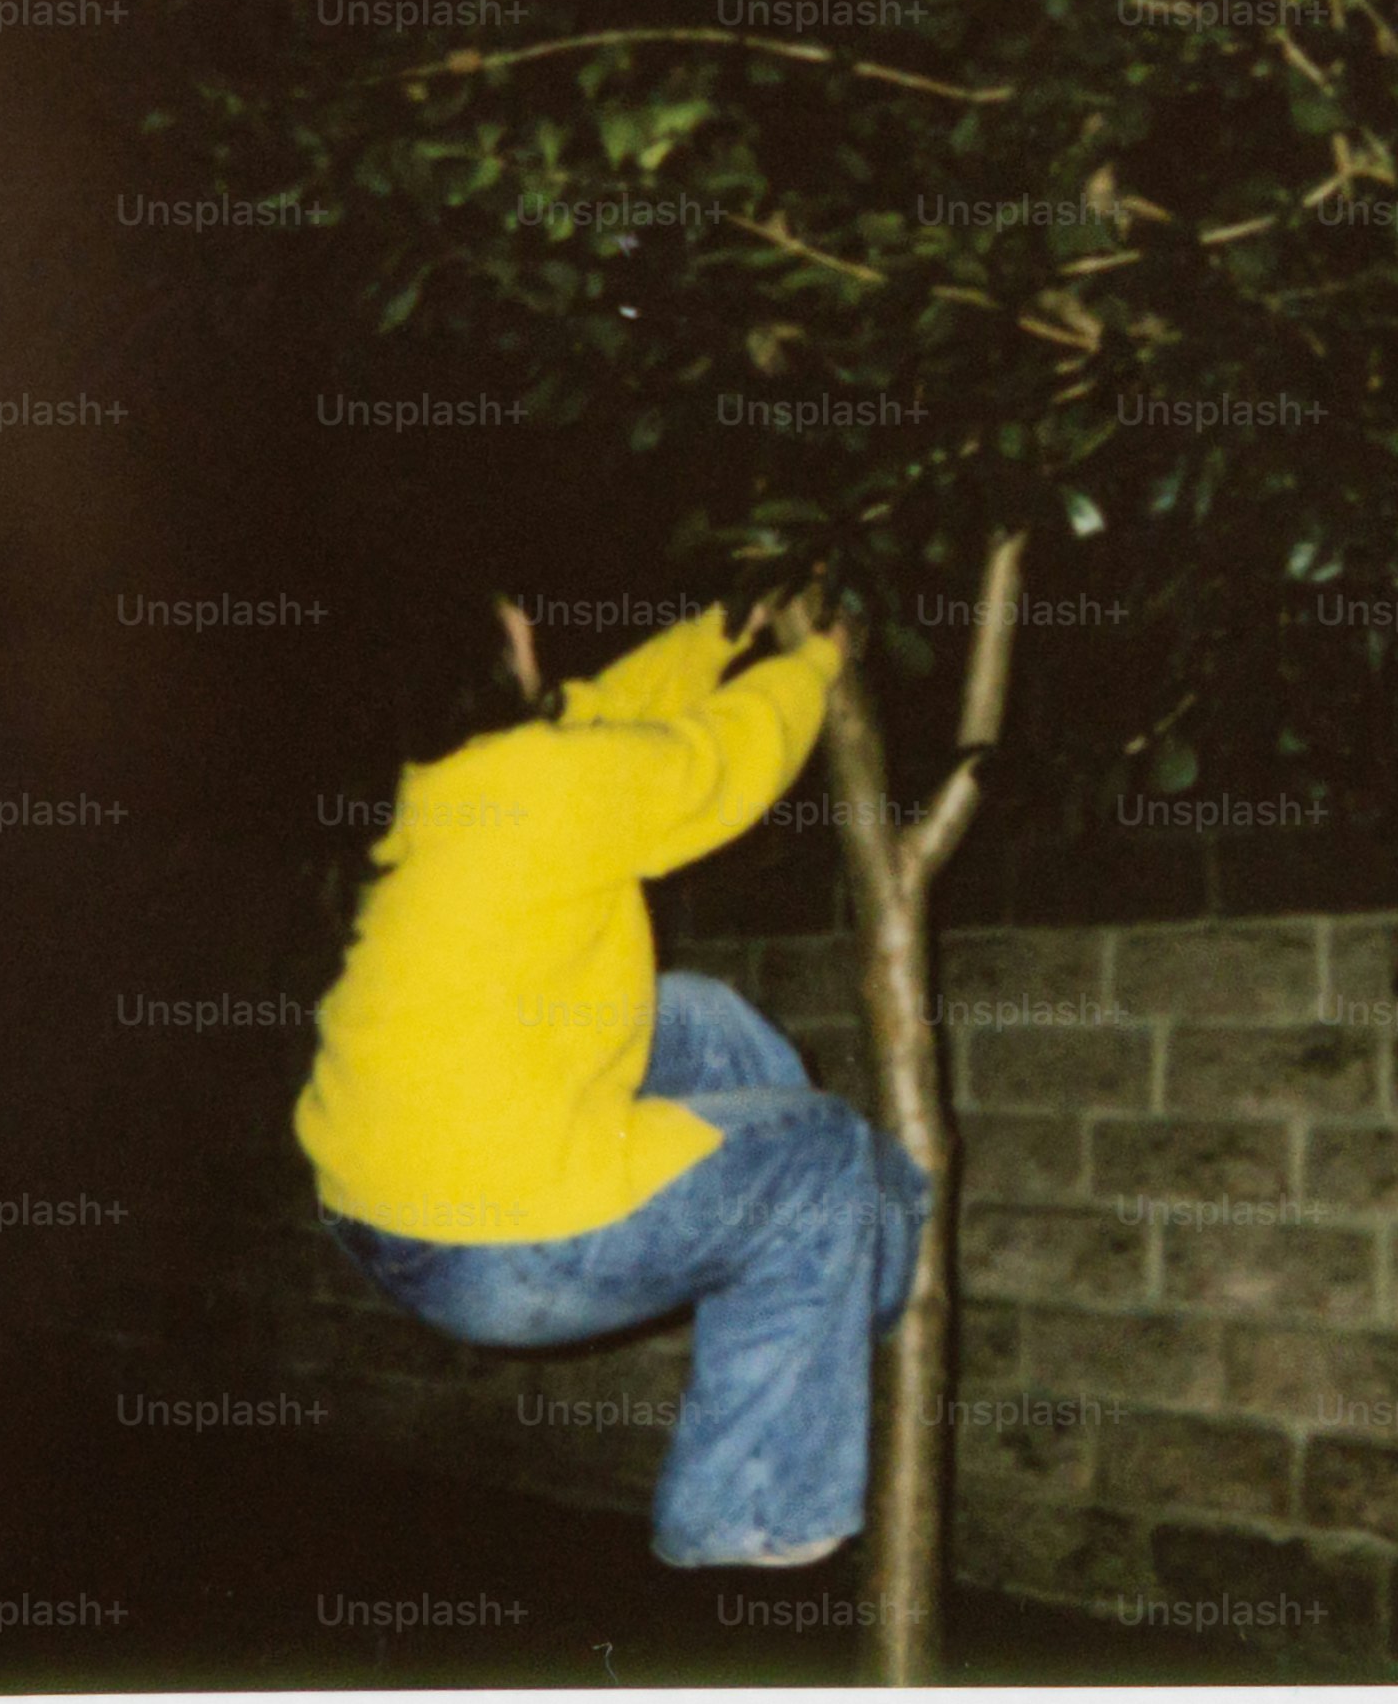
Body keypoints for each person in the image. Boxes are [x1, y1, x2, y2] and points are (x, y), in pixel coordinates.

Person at [294, 589, 926, 1570]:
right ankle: (750, 1505)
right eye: (515, 621)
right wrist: (813, 664)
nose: (533, 630)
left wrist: (724, 632)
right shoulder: (548, 782)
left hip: (377, 1208)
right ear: (488, 660)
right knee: (825, 1155)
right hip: (495, 1246)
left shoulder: (439, 786)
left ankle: (838, 1282)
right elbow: (712, 765)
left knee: (696, 1013)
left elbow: (610, 709)